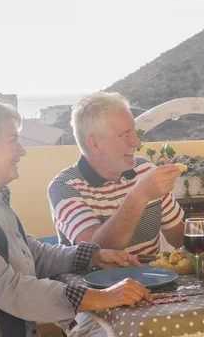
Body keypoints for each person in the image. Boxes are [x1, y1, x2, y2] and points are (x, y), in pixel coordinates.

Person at [0, 100, 152, 337]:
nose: (22, 150)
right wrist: (104, 297)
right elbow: (13, 291)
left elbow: (35, 254)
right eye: (13, 140)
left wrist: (94, 255)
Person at [48, 92, 184, 254]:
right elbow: (94, 252)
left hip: (152, 278)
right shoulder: (64, 187)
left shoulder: (145, 170)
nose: (137, 142)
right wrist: (139, 196)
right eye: (125, 135)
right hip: (95, 280)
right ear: (95, 144)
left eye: (135, 132)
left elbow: (179, 238)